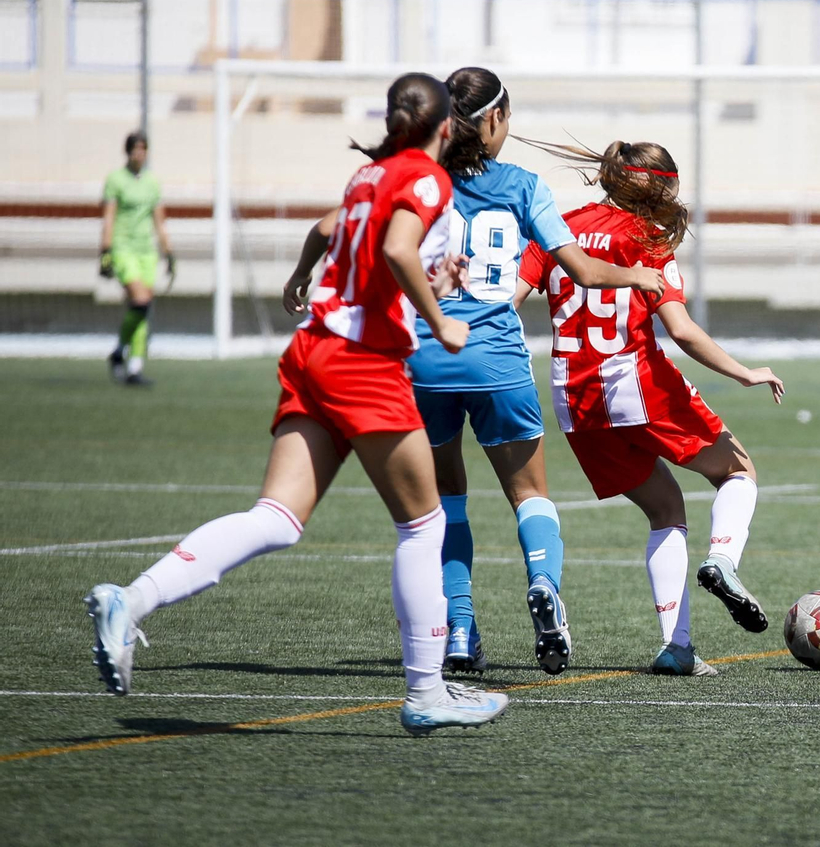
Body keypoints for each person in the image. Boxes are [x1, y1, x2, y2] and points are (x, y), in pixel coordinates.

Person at [83, 72, 509, 736]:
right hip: (364, 363)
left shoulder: (368, 175)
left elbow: (337, 233)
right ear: (446, 128)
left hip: (314, 349)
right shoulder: (428, 179)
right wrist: (441, 319)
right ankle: (427, 692)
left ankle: (131, 599)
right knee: (424, 526)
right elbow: (396, 247)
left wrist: (306, 276)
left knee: (277, 518)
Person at [408, 67, 665, 677]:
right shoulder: (523, 186)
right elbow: (583, 270)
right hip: (496, 360)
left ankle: (460, 630)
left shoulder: (418, 182)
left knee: (446, 502)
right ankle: (544, 587)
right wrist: (637, 274)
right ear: (495, 119)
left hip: (425, 361)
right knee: (529, 495)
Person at [516, 139, 784, 677]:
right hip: (635, 382)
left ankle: (677, 647)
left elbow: (508, 302)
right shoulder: (647, 237)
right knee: (738, 471)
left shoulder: (556, 227)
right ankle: (722, 560)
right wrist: (744, 371)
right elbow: (680, 330)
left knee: (664, 507)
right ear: (655, 186)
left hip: (574, 398)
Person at [100, 131, 175, 386]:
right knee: (141, 300)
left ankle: (133, 365)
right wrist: (105, 251)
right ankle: (121, 350)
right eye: (135, 149)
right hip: (123, 248)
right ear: (128, 151)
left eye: (143, 149)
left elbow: (159, 221)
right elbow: (109, 216)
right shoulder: (116, 179)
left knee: (142, 308)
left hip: (146, 252)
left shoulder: (152, 182)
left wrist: (169, 252)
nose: (138, 154)